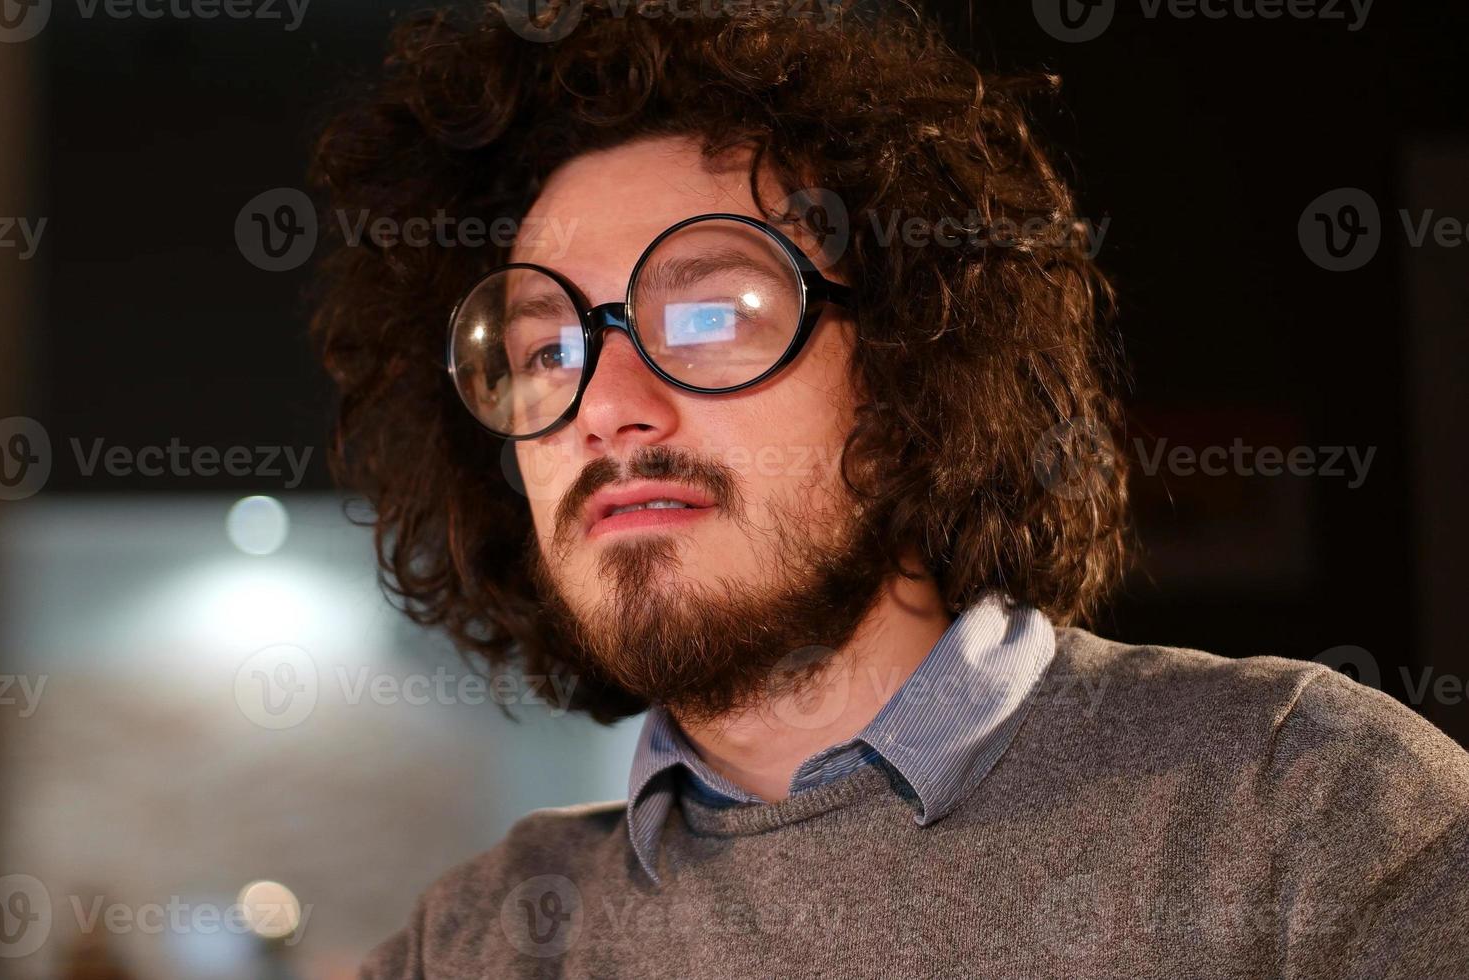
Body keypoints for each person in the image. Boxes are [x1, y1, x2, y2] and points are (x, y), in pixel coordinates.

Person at [306, 2, 1469, 975]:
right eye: (545, 348)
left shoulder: (1309, 814)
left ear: (914, 361)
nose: (605, 402)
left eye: (707, 314)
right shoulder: (476, 941)